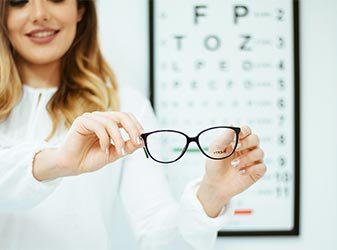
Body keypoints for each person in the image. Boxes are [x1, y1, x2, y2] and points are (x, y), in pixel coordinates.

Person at [0, 0, 266, 249]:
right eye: (18, 0)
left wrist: (210, 197)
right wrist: (59, 162)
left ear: (80, 9)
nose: (39, 14)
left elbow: (157, 234)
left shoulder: (125, 107)